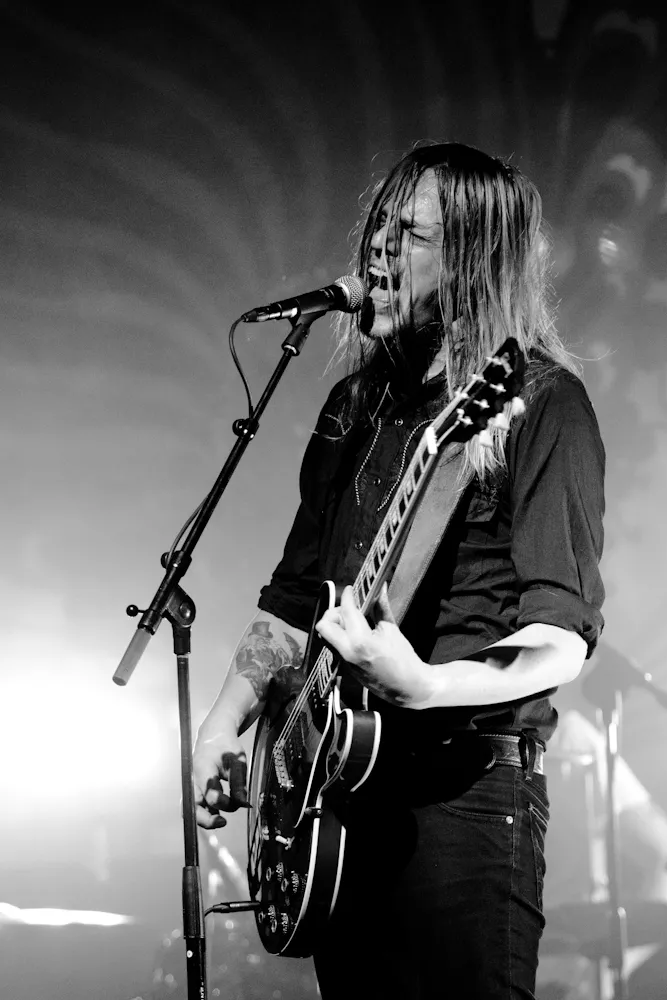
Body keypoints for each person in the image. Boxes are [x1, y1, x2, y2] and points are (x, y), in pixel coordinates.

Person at [192, 142, 605, 1000]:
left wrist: (425, 683)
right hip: (339, 798)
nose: (377, 246)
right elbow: (295, 597)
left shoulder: (541, 403)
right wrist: (223, 727)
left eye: (410, 233)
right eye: (378, 222)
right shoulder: (355, 406)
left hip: (465, 795)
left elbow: (561, 637)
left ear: (474, 260)